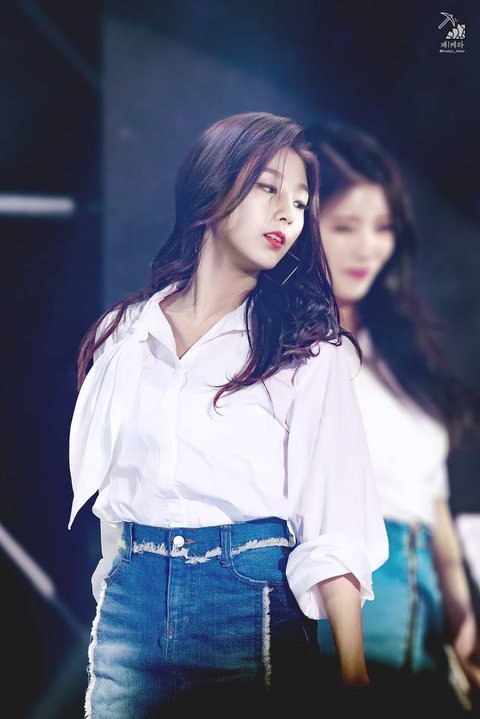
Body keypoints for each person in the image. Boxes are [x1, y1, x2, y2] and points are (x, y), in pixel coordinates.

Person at [68, 111, 388, 718]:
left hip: (249, 605)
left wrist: (353, 674)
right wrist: (118, 582)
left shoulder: (306, 351)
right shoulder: (125, 335)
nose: (288, 214)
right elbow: (114, 495)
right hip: (131, 612)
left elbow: (336, 523)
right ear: (213, 188)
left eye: (301, 202)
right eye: (269, 188)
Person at [305, 122, 480, 717]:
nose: (367, 249)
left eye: (382, 228)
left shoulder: (397, 350)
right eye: (344, 227)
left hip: (426, 635)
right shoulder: (282, 354)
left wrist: (461, 612)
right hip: (333, 630)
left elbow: (432, 502)